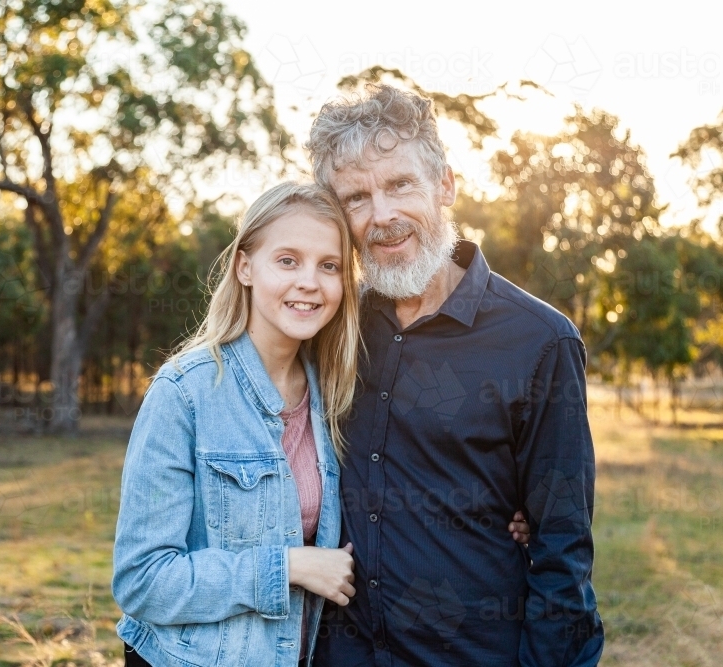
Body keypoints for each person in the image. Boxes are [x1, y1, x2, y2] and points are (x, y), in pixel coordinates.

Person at [111, 182, 532, 666]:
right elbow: (142, 581)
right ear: (245, 266)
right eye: (287, 260)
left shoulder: (339, 390)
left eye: (329, 266)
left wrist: (501, 512)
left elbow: (400, 479)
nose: (309, 281)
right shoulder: (185, 394)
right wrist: (289, 567)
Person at [307, 84, 604, 666]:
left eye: (399, 185)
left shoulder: (539, 341)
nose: (382, 216)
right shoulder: (327, 326)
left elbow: (562, 549)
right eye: (356, 198)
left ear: (445, 185)